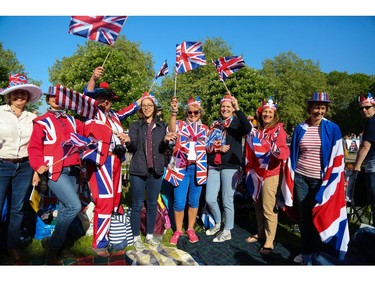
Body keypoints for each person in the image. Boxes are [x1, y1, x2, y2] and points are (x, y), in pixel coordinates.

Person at [81, 66, 142, 257]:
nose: (105, 101)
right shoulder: (91, 112)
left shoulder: (114, 116)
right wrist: (93, 77)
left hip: (116, 160)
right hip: (101, 160)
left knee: (115, 200)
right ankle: (99, 243)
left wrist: (143, 99)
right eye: (101, 97)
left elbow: (129, 110)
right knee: (105, 201)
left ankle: (115, 237)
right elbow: (87, 93)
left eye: (108, 99)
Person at [283, 92, 349, 264]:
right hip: (301, 178)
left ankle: (320, 253)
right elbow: (294, 154)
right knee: (304, 218)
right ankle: (306, 252)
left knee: (319, 215)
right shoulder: (300, 128)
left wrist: (338, 180)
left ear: (325, 110)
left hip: (322, 181)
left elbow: (337, 156)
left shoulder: (332, 129)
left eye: (322, 108)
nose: (318, 111)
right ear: (309, 108)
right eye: (316, 107)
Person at [28, 86, 84, 264]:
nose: (55, 99)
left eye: (59, 97)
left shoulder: (73, 120)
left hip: (74, 168)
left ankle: (61, 245)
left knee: (64, 209)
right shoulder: (41, 121)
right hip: (55, 170)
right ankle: (53, 246)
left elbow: (85, 138)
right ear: (48, 100)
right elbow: (34, 148)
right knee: (74, 206)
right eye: (52, 97)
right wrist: (38, 165)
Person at [124, 92, 176, 250]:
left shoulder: (161, 127)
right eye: (143, 106)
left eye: (149, 105)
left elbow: (162, 148)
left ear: (154, 108)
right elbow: (133, 147)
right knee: (137, 204)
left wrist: (166, 141)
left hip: (156, 171)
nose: (146, 108)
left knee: (153, 204)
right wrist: (128, 142)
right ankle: (135, 238)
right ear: (141, 109)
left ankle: (149, 235)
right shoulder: (134, 126)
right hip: (138, 170)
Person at [0, 74, 42, 262]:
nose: (19, 97)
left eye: (23, 93)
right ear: (9, 96)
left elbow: (37, 147)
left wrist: (36, 171)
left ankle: (12, 246)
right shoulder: (0, 112)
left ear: (27, 96)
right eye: (15, 93)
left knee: (17, 209)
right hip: (1, 164)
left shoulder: (34, 118)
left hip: (25, 167)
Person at [244, 97, 289, 256]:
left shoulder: (278, 130)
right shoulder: (257, 130)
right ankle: (261, 233)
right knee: (257, 205)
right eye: (265, 112)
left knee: (268, 207)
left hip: (270, 173)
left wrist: (275, 149)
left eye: (270, 112)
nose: (267, 115)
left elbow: (284, 152)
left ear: (274, 114)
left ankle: (270, 240)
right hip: (256, 173)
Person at [205, 93, 252, 242]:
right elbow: (206, 144)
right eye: (223, 107)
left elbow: (247, 128)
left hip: (230, 165)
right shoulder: (215, 124)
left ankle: (227, 230)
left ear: (232, 108)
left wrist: (238, 109)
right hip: (214, 164)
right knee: (210, 198)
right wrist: (217, 147)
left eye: (228, 107)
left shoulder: (237, 123)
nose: (225, 109)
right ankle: (219, 222)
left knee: (227, 200)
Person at [164, 96, 209, 245]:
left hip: (198, 167)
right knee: (179, 202)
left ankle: (190, 228)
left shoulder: (205, 129)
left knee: (194, 201)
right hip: (181, 167)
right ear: (186, 113)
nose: (193, 115)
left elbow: (210, 146)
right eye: (190, 112)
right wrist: (173, 113)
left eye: (196, 112)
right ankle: (178, 230)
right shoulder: (180, 124)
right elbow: (172, 130)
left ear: (200, 113)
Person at [353, 93, 375, 226]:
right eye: (361, 108)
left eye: (367, 107)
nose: (364, 110)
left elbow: (365, 146)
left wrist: (356, 166)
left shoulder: (372, 122)